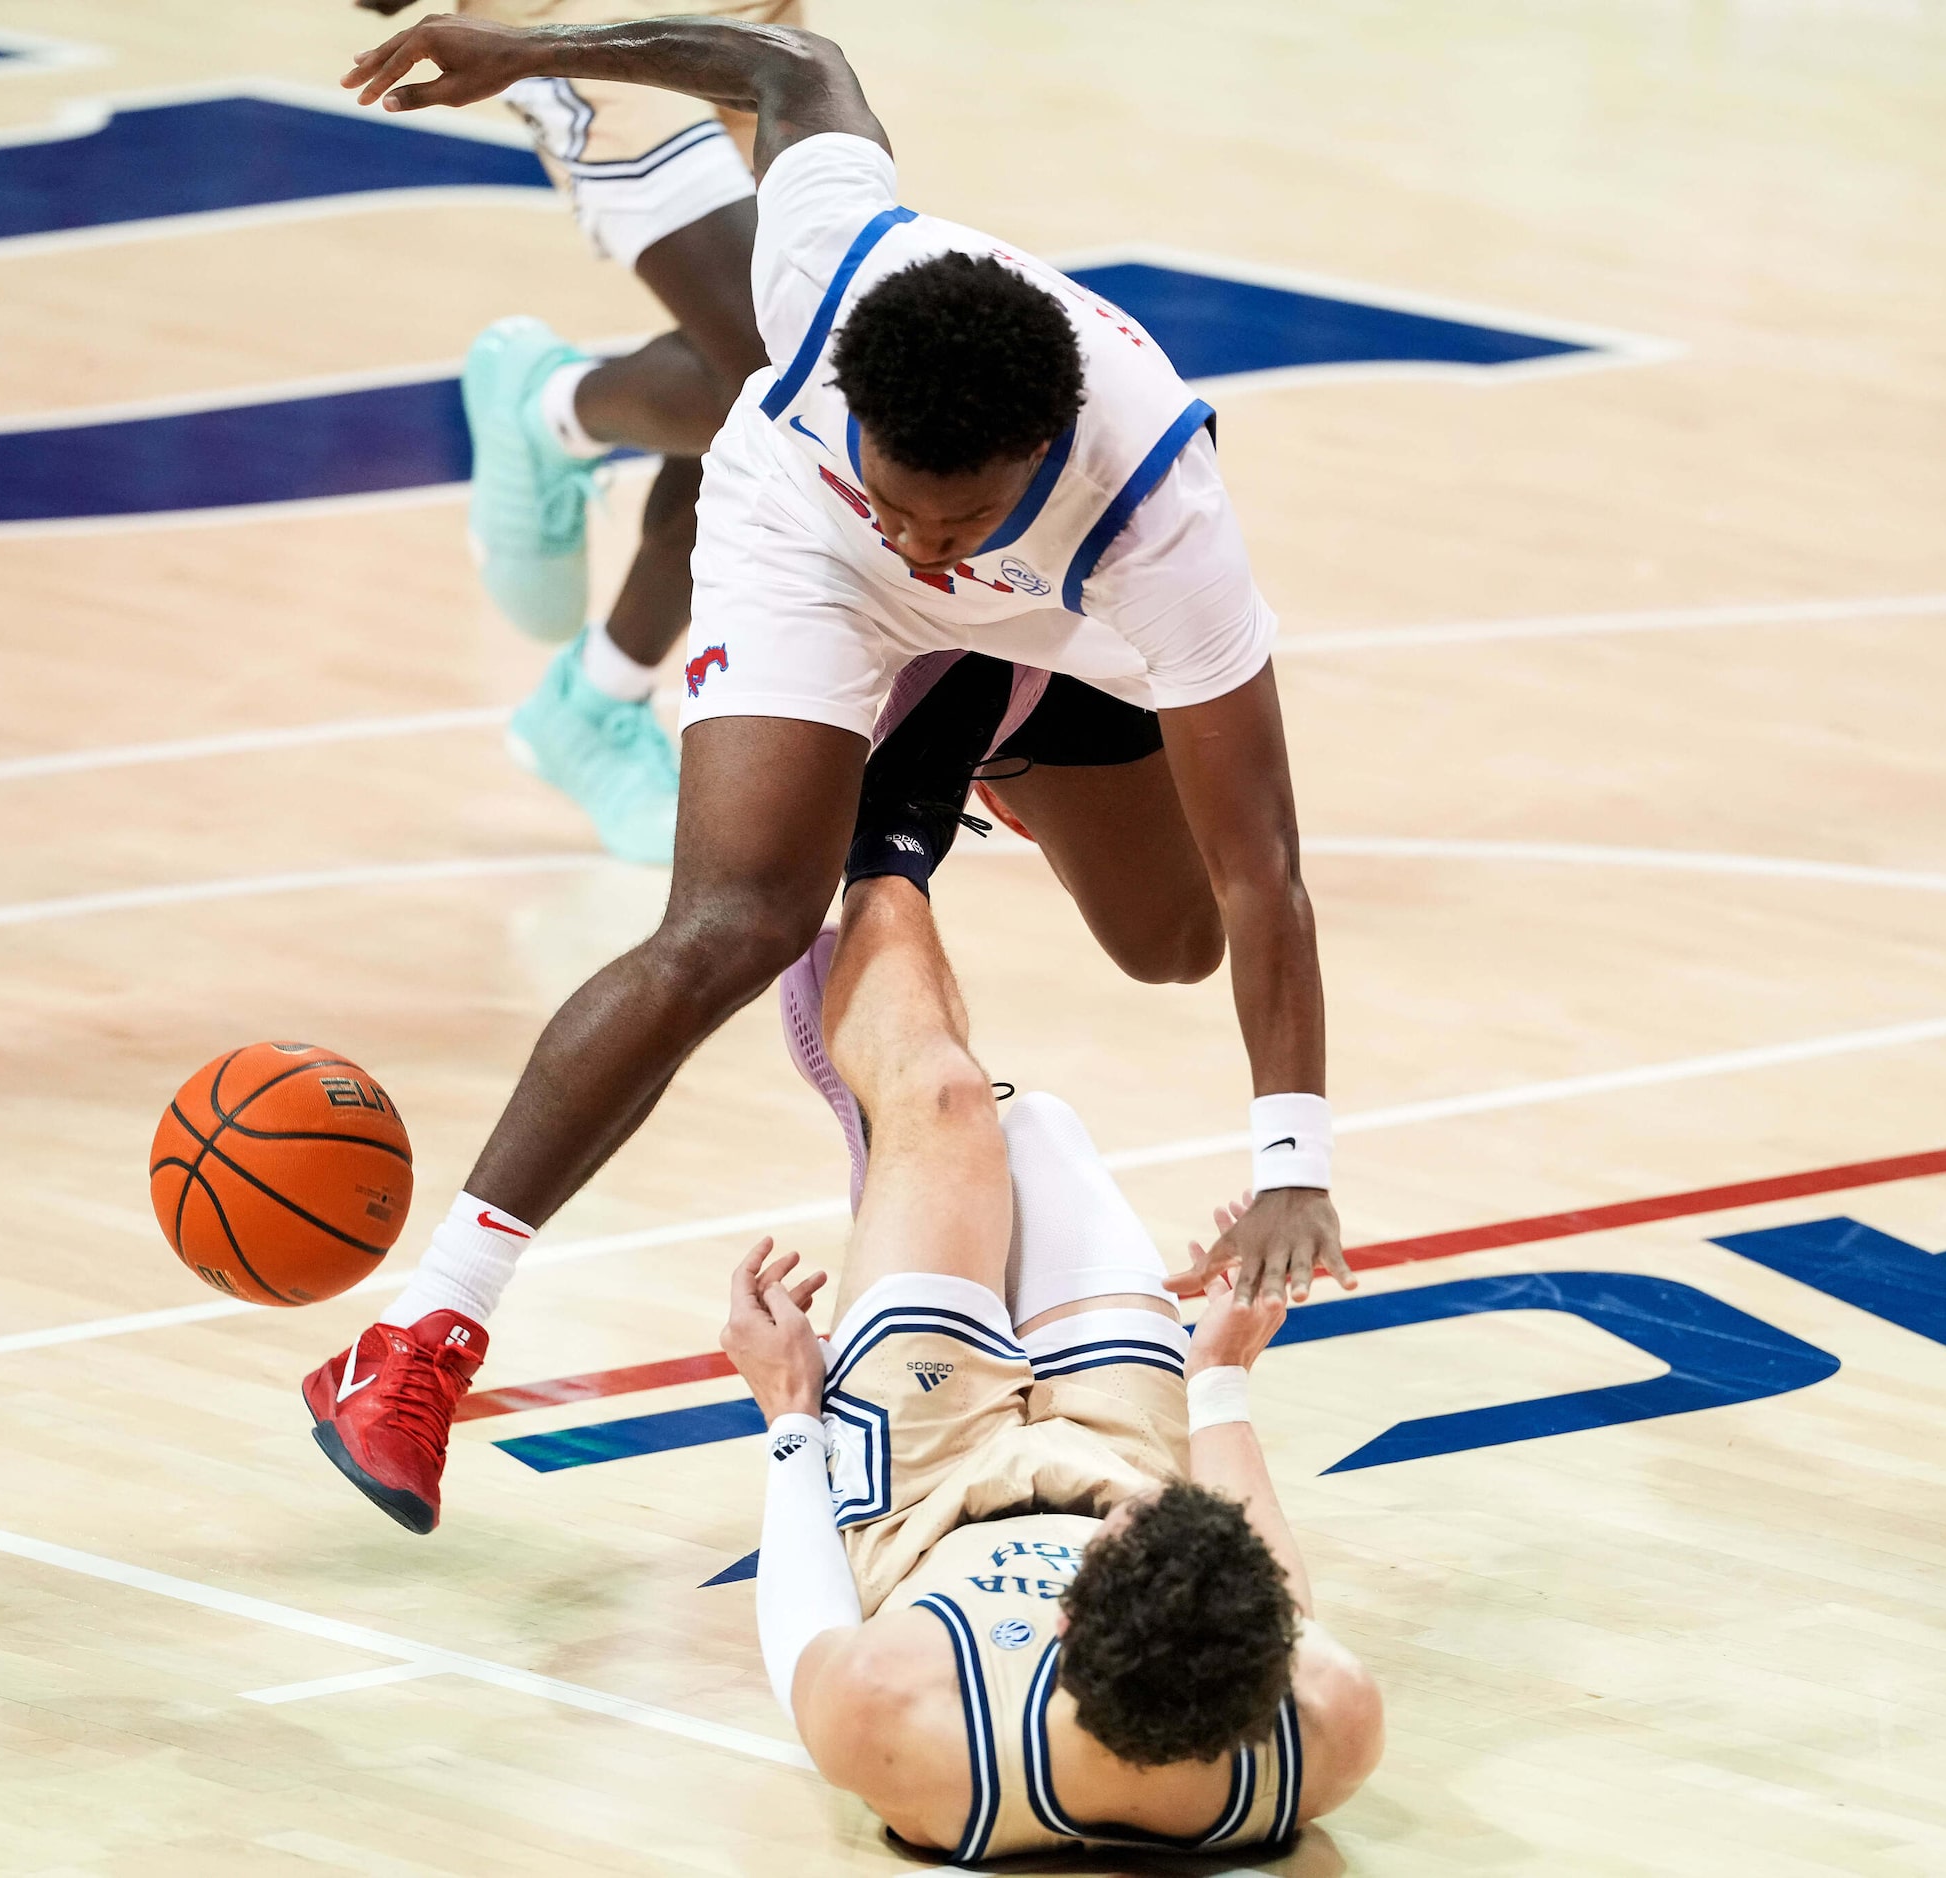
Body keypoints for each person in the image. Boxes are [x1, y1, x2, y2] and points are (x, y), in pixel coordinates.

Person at [304, 14, 1355, 1536]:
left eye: (960, 513)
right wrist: (529, 44)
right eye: (900, 491)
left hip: (1056, 627)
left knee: (1171, 938)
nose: (924, 531)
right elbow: (791, 71)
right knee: (731, 920)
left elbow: (1266, 869)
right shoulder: (827, 269)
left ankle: (961, 725)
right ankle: (420, 1340)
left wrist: (1292, 1163)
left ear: (1045, 448)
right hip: (802, 563)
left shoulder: (1156, 510)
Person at [718, 873, 1383, 1857]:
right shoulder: (1327, 1724)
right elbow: (1273, 1590)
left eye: (1118, 1532)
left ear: (1064, 1628)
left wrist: (789, 1413)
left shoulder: (905, 1724)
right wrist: (1221, 1373)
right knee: (1040, 1131)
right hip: (1127, 1442)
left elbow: (803, 1632)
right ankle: (913, 1193)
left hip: (924, 1499)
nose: (1123, 1510)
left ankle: (896, 815)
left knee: (945, 1102)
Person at [354, 0, 797, 865]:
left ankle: (592, 702)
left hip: (758, 20)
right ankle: (552, 406)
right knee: (784, 373)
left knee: (780, 382)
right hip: (584, 17)